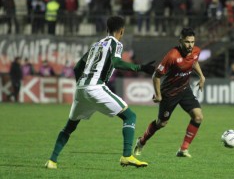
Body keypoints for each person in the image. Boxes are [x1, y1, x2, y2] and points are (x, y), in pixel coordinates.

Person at [45, 16, 155, 169]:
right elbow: (116, 62)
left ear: (107, 29)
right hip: (96, 87)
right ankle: (127, 156)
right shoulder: (115, 43)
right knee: (130, 116)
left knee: (70, 126)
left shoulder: (96, 45)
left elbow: (77, 67)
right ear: (121, 30)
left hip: (81, 88)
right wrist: (140, 68)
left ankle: (52, 161)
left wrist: (82, 85)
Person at [134, 27, 205, 158]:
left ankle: (183, 149)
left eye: (192, 42)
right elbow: (156, 75)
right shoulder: (172, 56)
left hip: (184, 89)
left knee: (198, 117)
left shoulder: (196, 51)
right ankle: (141, 141)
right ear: (180, 41)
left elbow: (194, 61)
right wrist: (159, 95)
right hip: (169, 93)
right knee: (161, 123)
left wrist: (201, 76)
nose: (190, 45)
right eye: (187, 42)